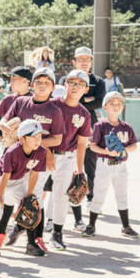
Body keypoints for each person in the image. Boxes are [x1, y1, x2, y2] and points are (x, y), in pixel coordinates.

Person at [0, 67, 63, 252]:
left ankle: (34, 240)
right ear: (32, 85)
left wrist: (32, 141)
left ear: (52, 88)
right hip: (16, 157)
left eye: (47, 83)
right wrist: (7, 128)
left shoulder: (54, 110)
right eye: (39, 82)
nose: (42, 86)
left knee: (34, 198)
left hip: (39, 159)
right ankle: (0, 233)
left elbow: (57, 139)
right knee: (9, 197)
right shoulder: (20, 102)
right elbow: (3, 121)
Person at [0, 119, 49, 257]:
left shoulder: (41, 152)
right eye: (33, 137)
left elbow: (34, 174)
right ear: (22, 138)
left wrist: (30, 195)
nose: (38, 140)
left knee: (29, 208)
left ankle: (31, 244)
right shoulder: (12, 151)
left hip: (17, 180)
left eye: (40, 136)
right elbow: (5, 175)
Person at [46, 70, 92, 249]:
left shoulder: (84, 115)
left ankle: (56, 234)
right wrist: (48, 152)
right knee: (31, 192)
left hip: (67, 158)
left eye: (80, 84)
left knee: (61, 197)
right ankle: (23, 228)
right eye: (72, 82)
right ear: (65, 85)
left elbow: (82, 144)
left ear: (86, 89)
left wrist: (79, 171)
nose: (75, 86)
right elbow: (42, 131)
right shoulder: (52, 105)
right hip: (44, 153)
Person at [84, 91, 139, 237]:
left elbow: (134, 145)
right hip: (104, 164)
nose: (116, 106)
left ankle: (126, 226)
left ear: (122, 107)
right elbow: (93, 146)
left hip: (120, 165)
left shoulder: (126, 127)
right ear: (105, 107)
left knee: (122, 195)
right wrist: (106, 151)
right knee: (99, 194)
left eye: (119, 104)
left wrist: (124, 149)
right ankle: (91, 225)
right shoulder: (100, 125)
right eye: (112, 103)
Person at [70, 47, 106, 205]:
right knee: (68, 164)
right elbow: (67, 100)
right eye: (80, 59)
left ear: (91, 61)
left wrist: (79, 100)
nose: (84, 62)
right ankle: (70, 199)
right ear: (74, 62)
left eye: (87, 59)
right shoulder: (67, 79)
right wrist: (88, 99)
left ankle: (91, 198)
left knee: (90, 164)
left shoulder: (98, 81)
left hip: (90, 128)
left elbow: (99, 101)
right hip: (69, 127)